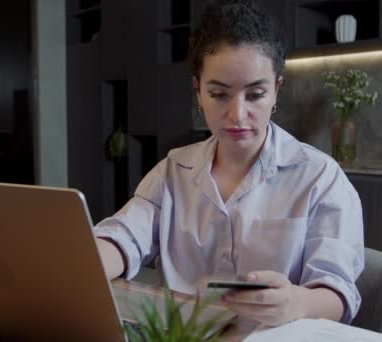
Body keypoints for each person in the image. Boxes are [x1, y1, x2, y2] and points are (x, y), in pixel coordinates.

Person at [93, 0, 364, 327]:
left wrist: (297, 301)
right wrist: (87, 262)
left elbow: (337, 295)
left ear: (276, 90)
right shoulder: (173, 171)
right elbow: (123, 239)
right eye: (219, 94)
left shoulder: (320, 177)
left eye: (255, 95)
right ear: (198, 91)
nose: (237, 115)